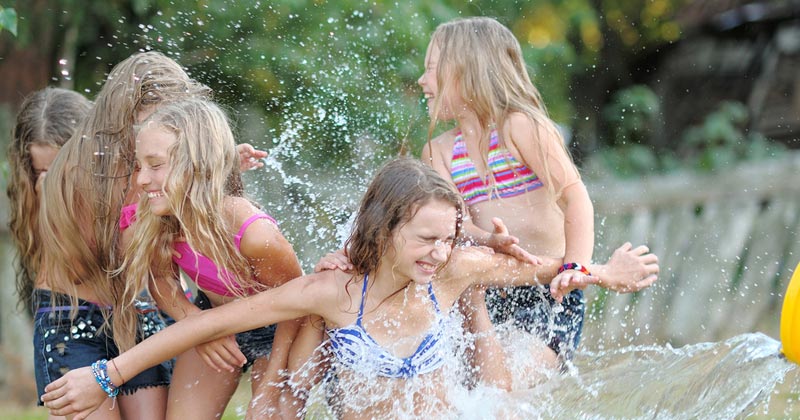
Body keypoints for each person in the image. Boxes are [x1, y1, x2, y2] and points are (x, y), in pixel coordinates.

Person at [40, 157, 659, 419]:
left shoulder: (456, 271)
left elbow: (548, 268)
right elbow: (211, 323)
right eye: (425, 238)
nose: (438, 252)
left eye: (448, 238)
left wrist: (606, 273)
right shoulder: (332, 292)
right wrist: (106, 375)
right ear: (385, 230)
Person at [416, 16, 658, 373]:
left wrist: (576, 266)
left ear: (468, 71)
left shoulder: (521, 126)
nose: (422, 80)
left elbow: (575, 199)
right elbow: (456, 225)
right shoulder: (437, 152)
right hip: (487, 290)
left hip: (549, 294)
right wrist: (490, 240)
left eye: (432, 69)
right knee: (475, 391)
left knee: (510, 389)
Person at [34, 52, 266, 419]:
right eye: (157, 121)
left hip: (137, 311)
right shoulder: (81, 171)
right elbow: (112, 261)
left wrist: (207, 166)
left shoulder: (148, 168)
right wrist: (196, 324)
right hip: (74, 314)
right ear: (125, 115)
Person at [122, 98, 303, 419]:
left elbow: (299, 305)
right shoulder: (161, 221)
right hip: (213, 318)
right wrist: (196, 324)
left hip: (282, 330)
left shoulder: (253, 235)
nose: (141, 180)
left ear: (196, 164)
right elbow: (161, 281)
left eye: (155, 164)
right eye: (139, 166)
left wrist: (274, 382)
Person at [7, 87, 91, 315]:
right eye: (42, 171)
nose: (52, 183)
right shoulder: (34, 198)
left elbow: (79, 272)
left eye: (61, 171)